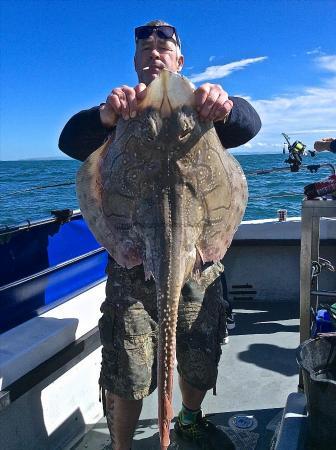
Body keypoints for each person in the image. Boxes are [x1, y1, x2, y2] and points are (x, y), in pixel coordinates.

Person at [59, 20, 261, 450]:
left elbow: (249, 124)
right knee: (128, 368)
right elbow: (71, 140)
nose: (154, 50)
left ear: (179, 58)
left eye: (164, 44)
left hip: (197, 259)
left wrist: (225, 108)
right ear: (135, 61)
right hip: (133, 261)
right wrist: (106, 115)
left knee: (199, 351)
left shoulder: (205, 106)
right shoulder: (121, 109)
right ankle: (123, 446)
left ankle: (186, 419)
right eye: (145, 45)